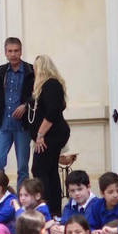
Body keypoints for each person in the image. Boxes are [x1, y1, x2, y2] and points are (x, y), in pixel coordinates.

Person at [0, 37, 34, 184]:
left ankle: (22, 196)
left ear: (21, 52)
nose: (13, 54)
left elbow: (38, 94)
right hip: (3, 124)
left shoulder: (30, 71)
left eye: (16, 51)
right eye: (10, 51)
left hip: (22, 126)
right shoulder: (1, 71)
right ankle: (1, 192)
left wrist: (26, 105)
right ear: (5, 52)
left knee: (22, 167)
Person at [28, 55, 69, 218]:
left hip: (50, 135)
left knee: (39, 169)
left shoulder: (51, 84)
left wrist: (40, 134)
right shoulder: (46, 86)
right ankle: (53, 210)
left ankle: (47, 208)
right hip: (48, 135)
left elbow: (52, 112)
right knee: (50, 171)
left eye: (35, 68)